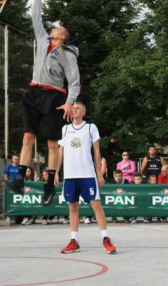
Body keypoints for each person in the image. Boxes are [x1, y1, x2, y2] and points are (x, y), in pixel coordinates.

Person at [6, 0, 81, 207]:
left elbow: (75, 83)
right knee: (28, 137)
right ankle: (19, 178)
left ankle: (49, 187)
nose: (51, 32)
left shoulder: (67, 55)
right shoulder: (41, 40)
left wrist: (69, 103)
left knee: (51, 144)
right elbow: (35, 17)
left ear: (63, 37)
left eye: (55, 31)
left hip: (55, 97)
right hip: (34, 93)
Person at [54, 102, 116, 254]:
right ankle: (74, 241)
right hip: (70, 175)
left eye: (77, 108)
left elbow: (96, 152)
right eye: (73, 108)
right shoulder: (65, 129)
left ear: (83, 112)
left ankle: (106, 239)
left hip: (87, 173)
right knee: (72, 207)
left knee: (96, 204)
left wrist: (99, 173)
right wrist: (55, 172)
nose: (74, 109)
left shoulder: (90, 127)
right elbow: (60, 152)